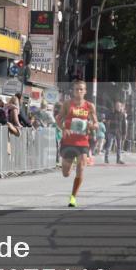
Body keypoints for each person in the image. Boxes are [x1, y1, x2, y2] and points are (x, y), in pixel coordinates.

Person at [58, 79, 98, 207]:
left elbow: (96, 123)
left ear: (85, 91)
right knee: (66, 173)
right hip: (68, 141)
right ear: (73, 91)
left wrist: (92, 125)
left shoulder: (90, 106)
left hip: (82, 142)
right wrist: (64, 129)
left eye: (81, 89)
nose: (79, 91)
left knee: (81, 169)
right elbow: (58, 119)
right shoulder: (67, 104)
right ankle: (71, 164)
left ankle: (73, 198)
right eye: (76, 89)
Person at [105, 100, 128, 164]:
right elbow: (106, 120)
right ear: (115, 106)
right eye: (117, 106)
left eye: (119, 106)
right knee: (109, 145)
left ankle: (118, 160)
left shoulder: (122, 115)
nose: (118, 107)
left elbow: (124, 125)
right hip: (111, 131)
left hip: (119, 132)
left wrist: (124, 133)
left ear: (121, 107)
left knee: (119, 147)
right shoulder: (111, 113)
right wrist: (107, 129)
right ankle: (106, 158)